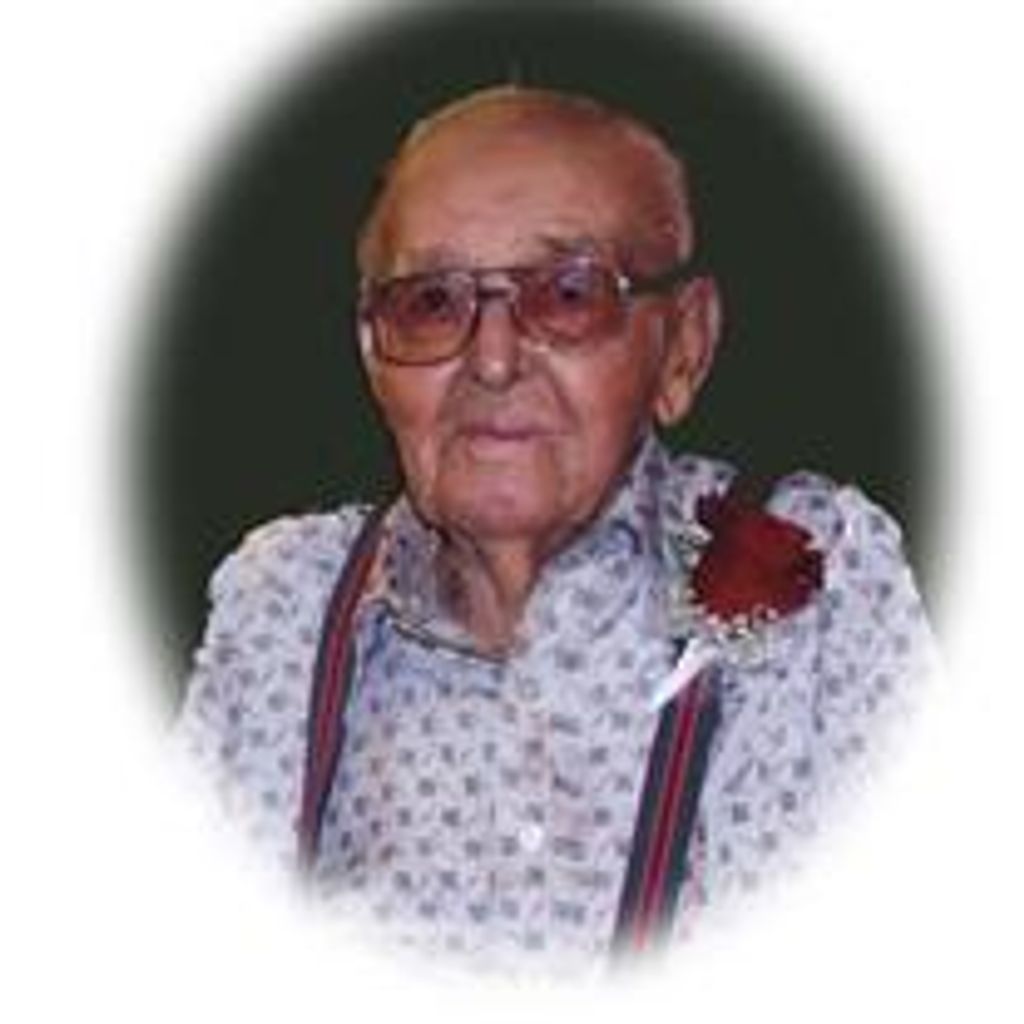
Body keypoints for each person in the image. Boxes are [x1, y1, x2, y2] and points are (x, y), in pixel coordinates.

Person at [175, 85, 933, 973]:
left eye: (569, 294)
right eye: (432, 303)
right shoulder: (287, 604)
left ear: (682, 348)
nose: (492, 361)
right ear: (374, 353)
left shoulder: (829, 578)